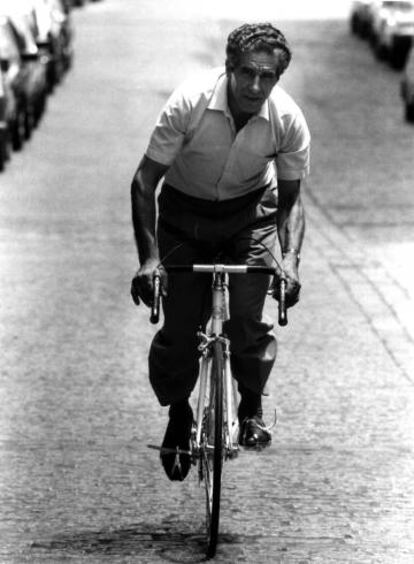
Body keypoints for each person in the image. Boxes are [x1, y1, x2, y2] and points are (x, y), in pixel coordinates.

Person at [130, 23, 310, 481]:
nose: (255, 86)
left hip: (250, 214)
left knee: (247, 317)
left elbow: (291, 202)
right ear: (229, 68)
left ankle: (250, 405)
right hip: (184, 216)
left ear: (277, 79)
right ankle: (178, 413)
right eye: (246, 73)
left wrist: (289, 262)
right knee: (181, 327)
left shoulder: (287, 120)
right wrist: (150, 259)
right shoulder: (189, 102)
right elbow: (144, 182)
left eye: (266, 77)